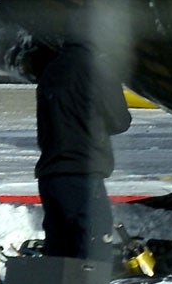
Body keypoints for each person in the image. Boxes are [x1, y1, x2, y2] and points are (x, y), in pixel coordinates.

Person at [30, 35, 133, 260]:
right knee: (93, 249)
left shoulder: (50, 70)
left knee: (58, 251)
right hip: (83, 172)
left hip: (50, 174)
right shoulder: (98, 69)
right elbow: (119, 120)